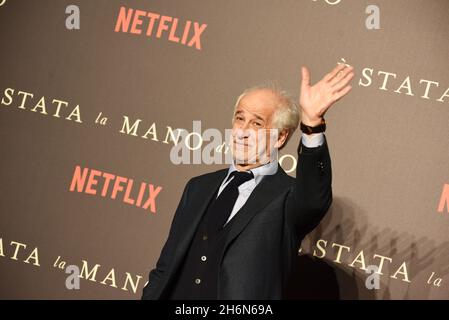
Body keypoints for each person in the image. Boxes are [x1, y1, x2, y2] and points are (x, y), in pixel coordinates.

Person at [142, 64, 354, 299]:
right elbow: (166, 266)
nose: (242, 131)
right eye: (239, 118)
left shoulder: (287, 197)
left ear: (280, 137)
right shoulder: (197, 187)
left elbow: (314, 198)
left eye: (256, 123)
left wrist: (312, 125)